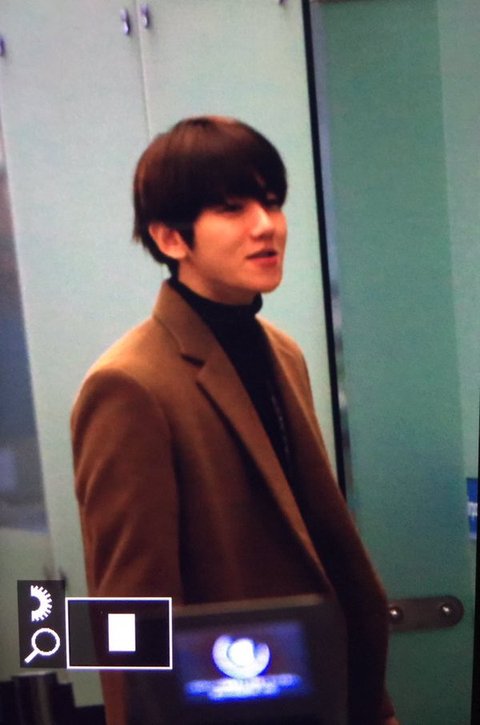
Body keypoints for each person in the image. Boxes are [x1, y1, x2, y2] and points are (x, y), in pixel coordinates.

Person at [71, 116, 398, 724]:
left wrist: (372, 706)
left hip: (326, 696)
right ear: (171, 238)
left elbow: (320, 543)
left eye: (271, 202)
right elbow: (129, 613)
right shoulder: (129, 383)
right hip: (227, 702)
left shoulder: (281, 351)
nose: (266, 225)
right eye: (232, 208)